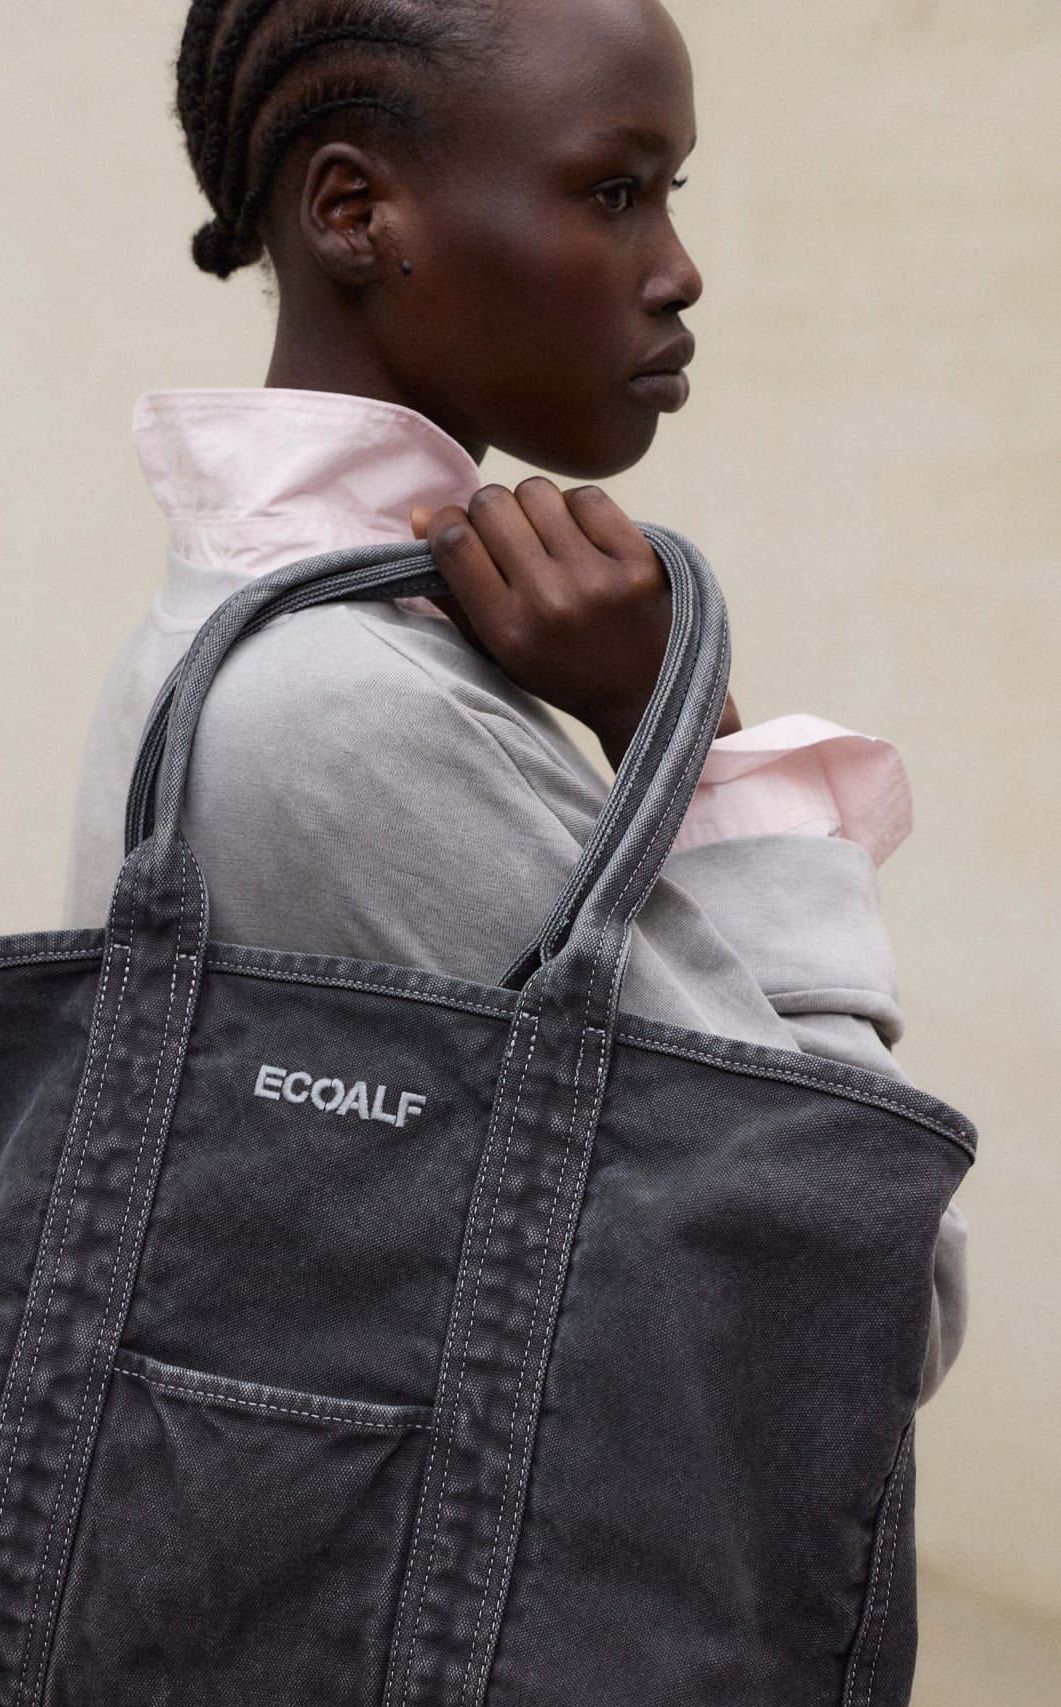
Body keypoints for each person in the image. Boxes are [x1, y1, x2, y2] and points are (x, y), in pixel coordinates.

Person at [64, 0, 965, 1396]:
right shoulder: (351, 714)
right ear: (355, 214)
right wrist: (687, 741)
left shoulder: (226, 628)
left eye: (669, 192)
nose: (679, 271)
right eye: (612, 192)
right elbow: (868, 1304)